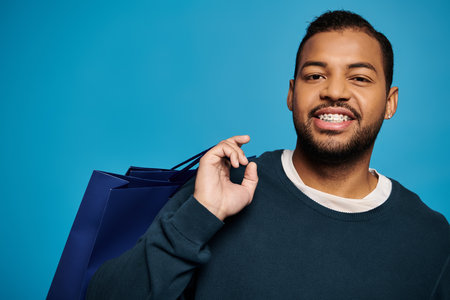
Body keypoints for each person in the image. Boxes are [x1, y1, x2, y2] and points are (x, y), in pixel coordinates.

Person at [87, 10, 450, 299]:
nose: (335, 91)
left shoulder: (431, 239)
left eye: (359, 78)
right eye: (315, 76)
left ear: (390, 103)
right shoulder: (224, 186)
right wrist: (201, 215)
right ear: (291, 94)